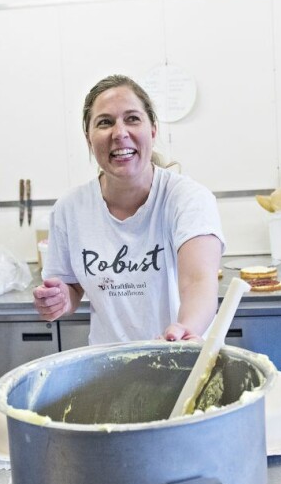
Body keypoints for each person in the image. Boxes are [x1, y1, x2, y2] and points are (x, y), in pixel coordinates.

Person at [33, 75, 224, 345]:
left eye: (132, 119)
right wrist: (60, 299)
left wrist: (184, 329)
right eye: (105, 122)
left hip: (185, 361)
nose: (120, 133)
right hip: (110, 368)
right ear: (89, 138)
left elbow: (198, 281)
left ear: (153, 130)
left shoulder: (188, 199)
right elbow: (72, 287)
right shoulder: (70, 209)